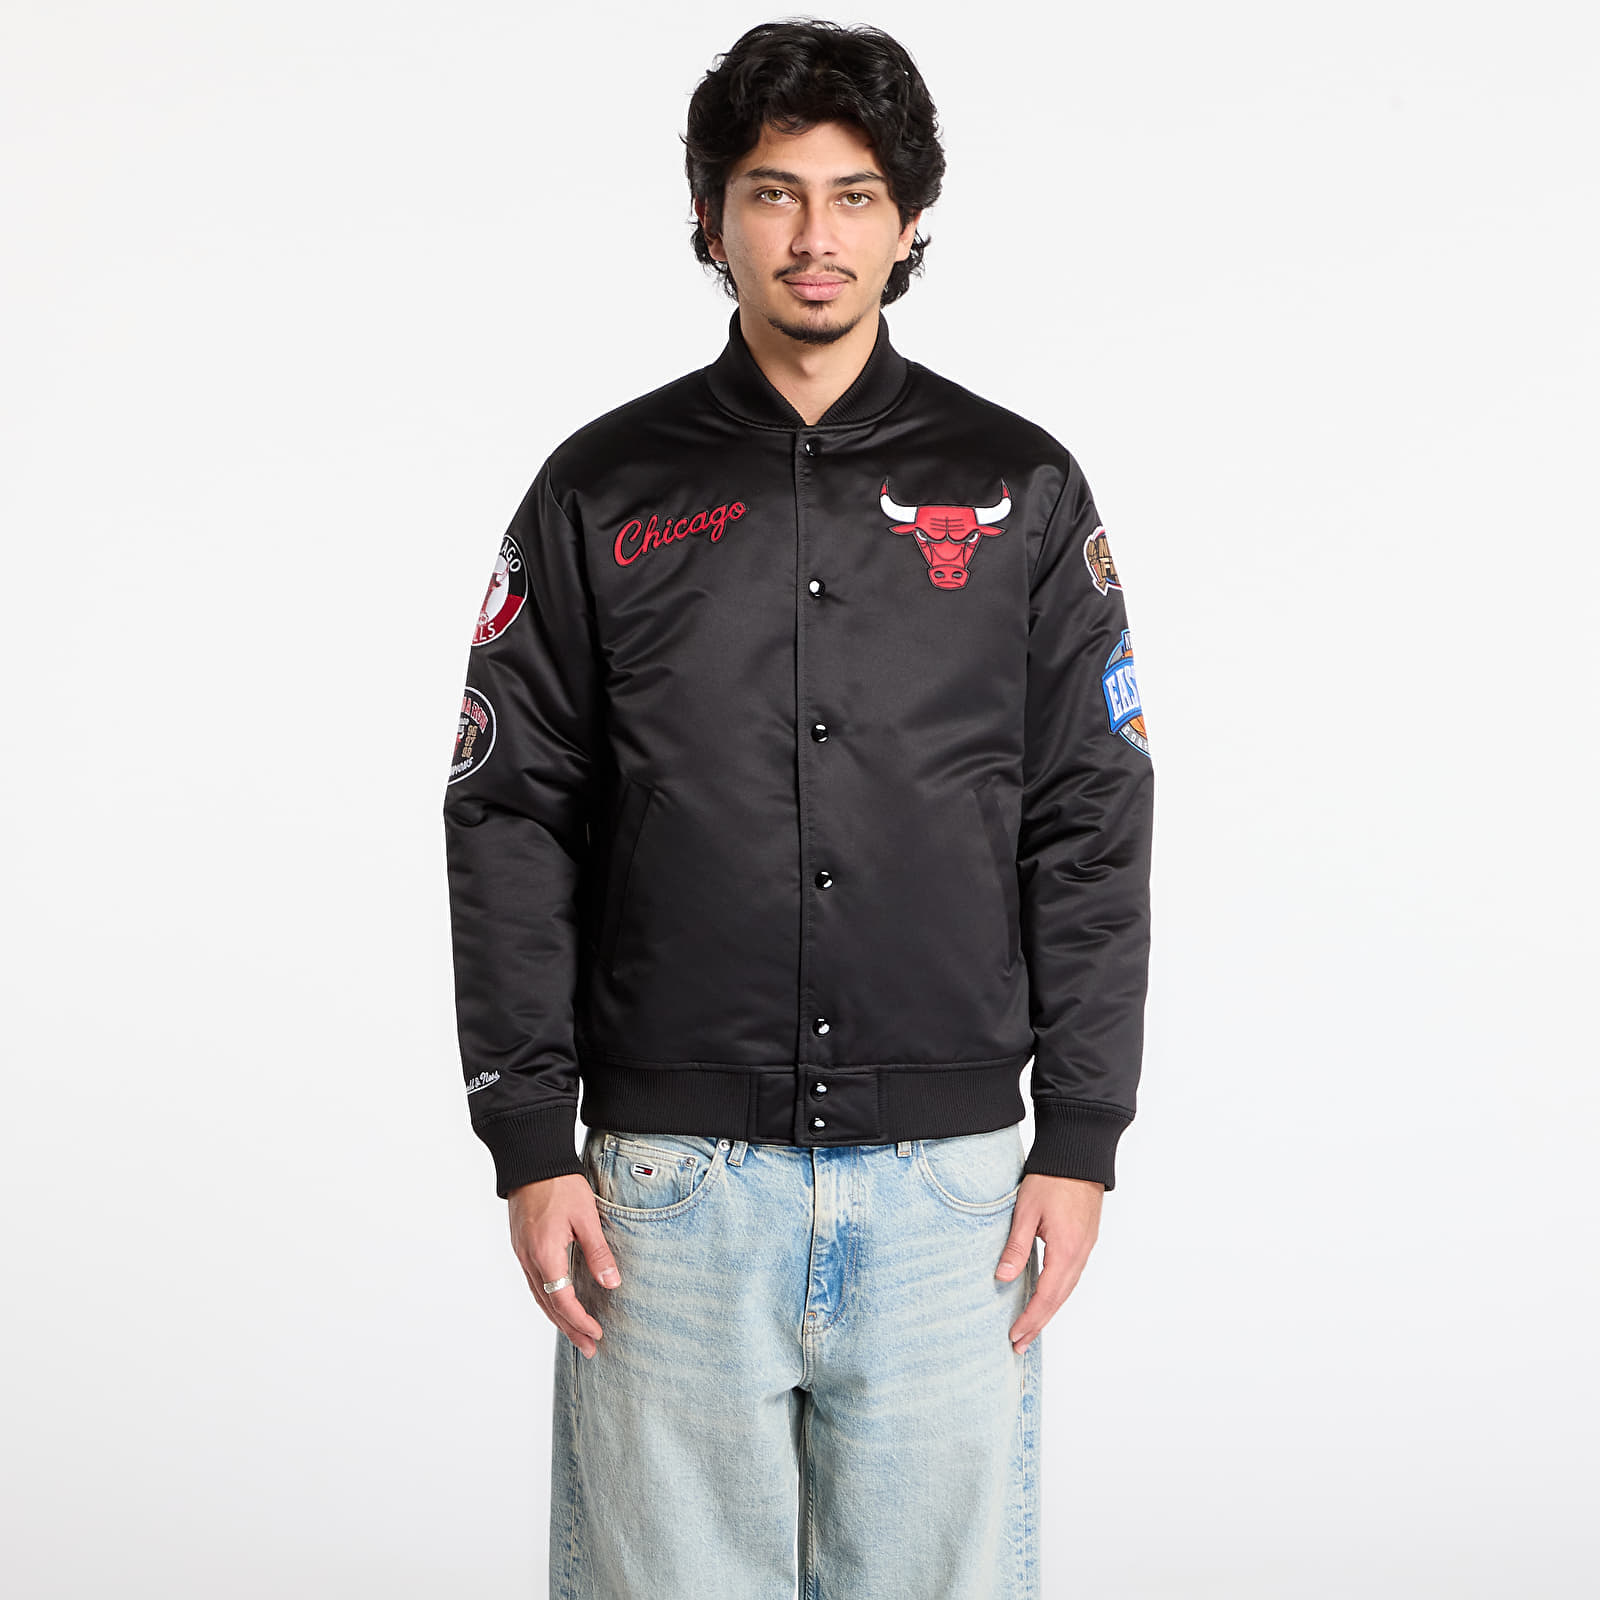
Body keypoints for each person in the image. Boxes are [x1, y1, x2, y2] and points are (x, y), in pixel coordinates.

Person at [442, 19, 1155, 1597]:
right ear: (713, 220)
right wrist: (528, 1137)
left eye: (853, 196)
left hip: (952, 1192)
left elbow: (1091, 814)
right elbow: (509, 810)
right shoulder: (601, 490)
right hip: (665, 1190)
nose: (814, 235)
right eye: (774, 193)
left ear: (910, 223)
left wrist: (1082, 1133)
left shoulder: (1022, 489)